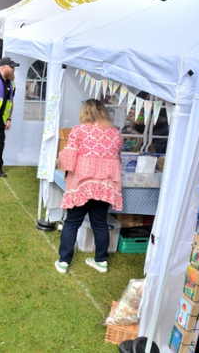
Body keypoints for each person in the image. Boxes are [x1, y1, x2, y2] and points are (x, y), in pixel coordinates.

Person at [55, 99, 122, 274]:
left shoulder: (79, 130)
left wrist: (59, 160)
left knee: (72, 223)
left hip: (82, 185)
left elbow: (69, 159)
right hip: (105, 185)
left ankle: (63, 261)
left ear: (85, 112)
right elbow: (117, 157)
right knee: (100, 223)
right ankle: (101, 261)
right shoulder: (115, 133)